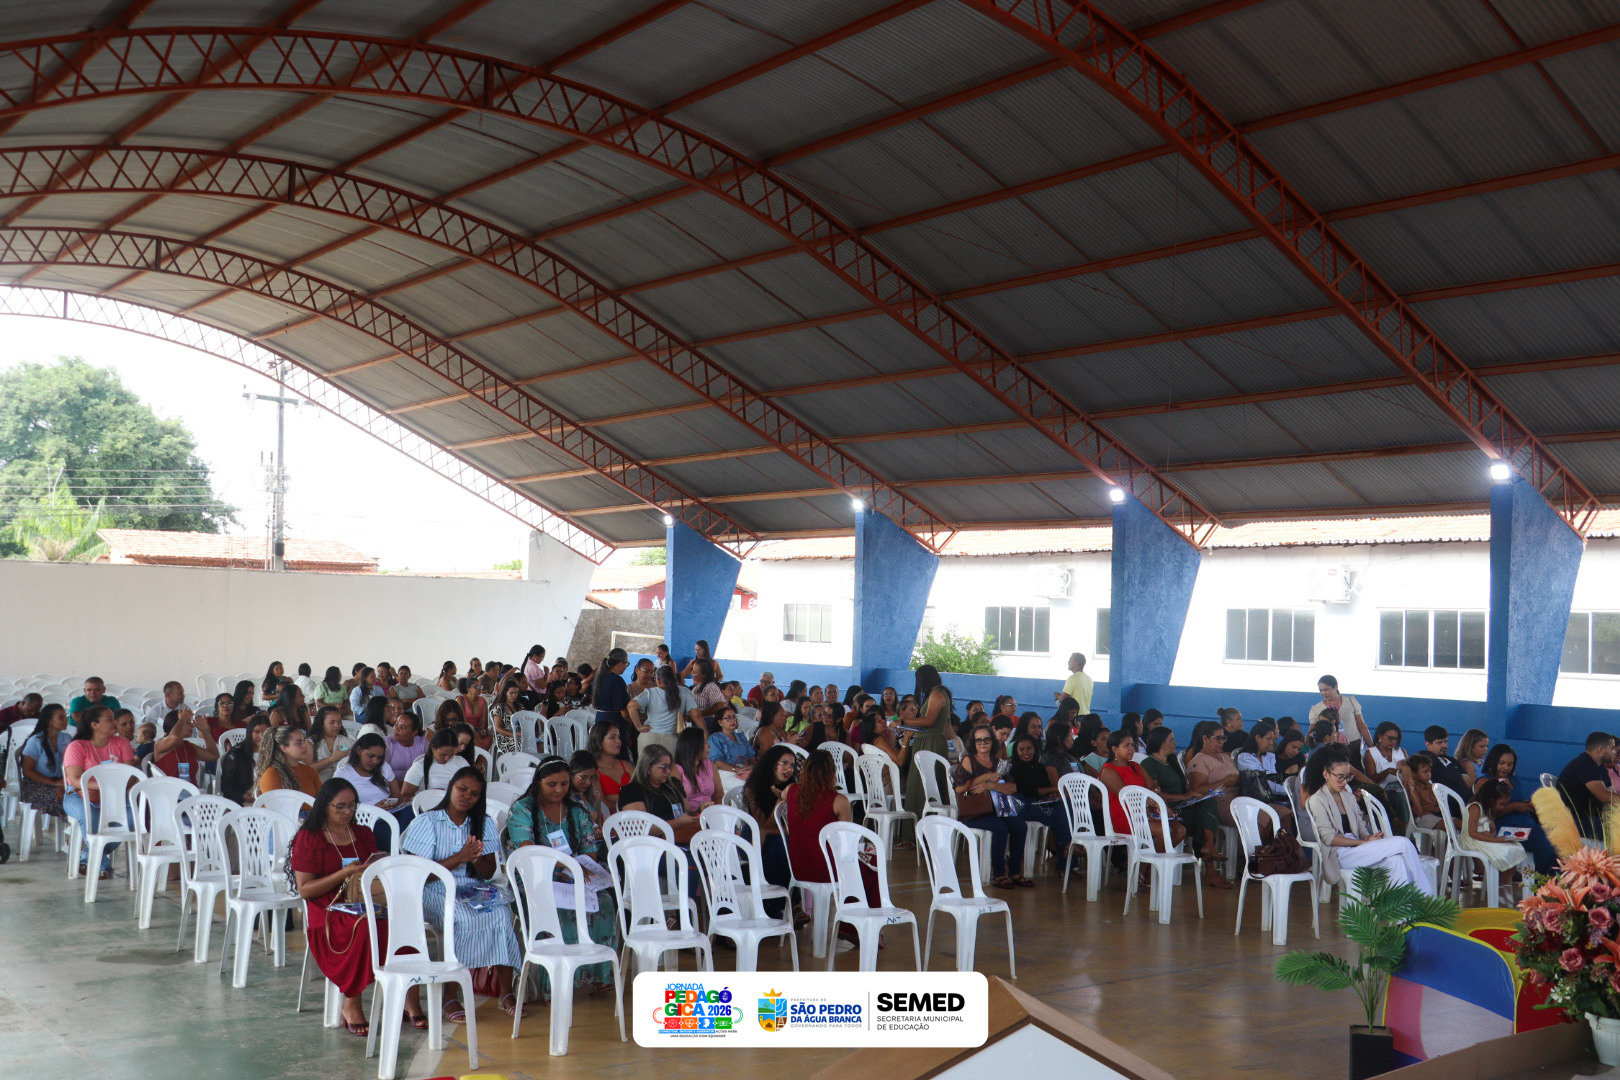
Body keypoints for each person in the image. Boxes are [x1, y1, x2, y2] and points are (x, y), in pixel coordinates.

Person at [402, 766, 524, 1019]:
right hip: (433, 889)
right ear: (451, 788)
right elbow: (418, 875)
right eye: (462, 789)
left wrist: (476, 858)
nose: (467, 796)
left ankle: (506, 992)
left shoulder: (482, 823)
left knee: (501, 915)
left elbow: (488, 872)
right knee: (463, 919)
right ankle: (450, 996)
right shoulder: (428, 822)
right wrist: (459, 857)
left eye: (475, 793)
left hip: (471, 886)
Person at [505, 755, 616, 993]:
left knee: (604, 903)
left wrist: (575, 868)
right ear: (538, 783)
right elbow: (526, 850)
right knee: (560, 909)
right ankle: (555, 985)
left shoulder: (577, 808)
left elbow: (589, 850)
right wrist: (562, 866)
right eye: (552, 784)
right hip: (535, 878)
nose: (559, 790)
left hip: (573, 873)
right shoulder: (522, 808)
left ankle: (597, 974)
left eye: (564, 784)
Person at [290, 778, 392, 1035]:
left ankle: (406, 1000)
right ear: (325, 806)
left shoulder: (363, 834)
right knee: (363, 926)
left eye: (352, 806)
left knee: (395, 920)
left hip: (361, 898)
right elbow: (305, 889)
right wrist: (344, 873)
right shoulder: (309, 837)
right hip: (327, 905)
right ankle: (352, 1000)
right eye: (340, 807)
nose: (348, 812)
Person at [1304, 748, 1434, 896]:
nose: (1344, 782)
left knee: (1396, 860)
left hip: (1357, 848)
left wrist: (1368, 837)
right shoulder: (1317, 799)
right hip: (1339, 853)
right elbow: (1329, 838)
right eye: (1340, 777)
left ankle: (1402, 916)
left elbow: (1361, 827)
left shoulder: (1348, 797)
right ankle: (1426, 896)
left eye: (1347, 777)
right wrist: (1363, 843)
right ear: (1326, 774)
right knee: (1403, 843)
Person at [782, 749, 876, 938]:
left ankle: (852, 927)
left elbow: (783, 797)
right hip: (826, 868)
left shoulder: (791, 791)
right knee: (871, 868)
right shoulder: (839, 801)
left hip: (797, 865)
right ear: (832, 773)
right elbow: (846, 843)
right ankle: (854, 928)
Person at [61, 704, 137, 877]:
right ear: (94, 725)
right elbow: (75, 780)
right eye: (109, 719)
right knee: (92, 820)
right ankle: (102, 865)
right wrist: (105, 785)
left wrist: (111, 788)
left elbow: (130, 775)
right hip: (79, 796)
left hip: (114, 797)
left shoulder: (121, 743)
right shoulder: (77, 746)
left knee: (130, 823)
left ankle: (87, 855)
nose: (115, 722)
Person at [953, 724, 1030, 888]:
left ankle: (1015, 871)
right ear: (973, 743)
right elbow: (960, 789)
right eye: (978, 740)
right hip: (974, 812)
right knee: (1001, 827)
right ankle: (999, 874)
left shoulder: (999, 762)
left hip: (998, 808)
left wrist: (991, 786)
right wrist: (987, 777)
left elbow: (1012, 788)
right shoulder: (969, 760)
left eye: (986, 739)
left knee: (1020, 826)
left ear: (992, 741)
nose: (982, 743)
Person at [1475, 742, 1555, 873]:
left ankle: (1556, 883)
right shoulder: (1485, 782)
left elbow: (1517, 801)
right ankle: (1543, 885)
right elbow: (1486, 812)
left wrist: (1528, 804)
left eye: (1509, 764)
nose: (1505, 767)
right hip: (1504, 830)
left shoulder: (1514, 780)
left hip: (1528, 825)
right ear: (1493, 761)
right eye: (1502, 763)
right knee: (1545, 843)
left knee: (1557, 839)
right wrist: (1514, 807)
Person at [903, 665, 954, 835]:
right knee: (922, 786)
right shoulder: (938, 692)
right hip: (928, 741)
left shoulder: (937, 693)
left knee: (923, 787)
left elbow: (928, 721)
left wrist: (906, 722)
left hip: (930, 744)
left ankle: (922, 832)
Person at [615, 744, 700, 843]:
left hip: (681, 837)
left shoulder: (673, 784)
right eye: (663, 767)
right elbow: (642, 830)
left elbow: (687, 811)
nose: (668, 771)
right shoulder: (632, 791)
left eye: (670, 766)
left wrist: (700, 809)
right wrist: (678, 822)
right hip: (651, 845)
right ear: (647, 768)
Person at [1460, 779, 1533, 891]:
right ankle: (1499, 886)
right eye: (1501, 804)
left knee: (1515, 847)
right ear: (1491, 799)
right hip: (1472, 840)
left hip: (1483, 838)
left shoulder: (1487, 809)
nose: (1503, 807)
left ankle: (1506, 883)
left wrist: (1492, 833)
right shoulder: (1475, 807)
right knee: (1502, 851)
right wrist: (1495, 840)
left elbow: (1491, 829)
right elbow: (1472, 833)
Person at [1006, 732, 1070, 858]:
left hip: (1037, 803)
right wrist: (1054, 788)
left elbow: (1042, 789)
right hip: (1020, 806)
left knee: (1063, 808)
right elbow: (1029, 790)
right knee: (1061, 814)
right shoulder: (1014, 767)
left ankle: (1066, 850)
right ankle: (1067, 846)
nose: (1026, 752)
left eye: (1029, 748)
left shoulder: (1039, 767)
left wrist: (1051, 794)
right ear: (1016, 751)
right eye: (1021, 749)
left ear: (1035, 749)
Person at [628, 665, 702, 757]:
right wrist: (705, 734)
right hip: (672, 740)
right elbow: (696, 715)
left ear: (658, 680)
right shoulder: (685, 691)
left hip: (649, 738)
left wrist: (639, 726)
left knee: (646, 769)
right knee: (669, 770)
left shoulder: (650, 692)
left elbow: (631, 706)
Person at [1557, 731, 1617, 838]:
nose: (1614, 752)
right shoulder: (1585, 765)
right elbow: (1605, 797)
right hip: (1579, 821)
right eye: (1612, 749)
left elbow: (1612, 795)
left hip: (1594, 818)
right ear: (1600, 750)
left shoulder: (1600, 766)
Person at [19, 702, 71, 822]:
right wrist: (54, 783)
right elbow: (27, 771)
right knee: (65, 801)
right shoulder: (35, 741)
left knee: (79, 798)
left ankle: (74, 834)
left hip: (61, 783)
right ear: (49, 721)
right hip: (35, 786)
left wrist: (62, 784)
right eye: (61, 717)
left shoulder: (66, 739)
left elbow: (72, 765)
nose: (65, 720)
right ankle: (72, 834)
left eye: (65, 717)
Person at [1186, 720, 1239, 827]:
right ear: (1205, 739)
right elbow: (1196, 791)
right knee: (1256, 823)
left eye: (1223, 738)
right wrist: (1224, 782)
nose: (1221, 742)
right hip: (1221, 804)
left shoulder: (1225, 756)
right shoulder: (1200, 760)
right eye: (1218, 738)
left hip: (1238, 798)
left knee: (1275, 816)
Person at [150, 707, 220, 784]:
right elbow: (175, 737)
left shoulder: (187, 746)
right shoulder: (160, 744)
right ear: (175, 726)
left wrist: (205, 731)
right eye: (187, 722)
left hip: (191, 792)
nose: (192, 726)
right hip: (169, 793)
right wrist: (183, 718)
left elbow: (214, 755)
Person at [400, 729, 474, 801]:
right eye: (443, 754)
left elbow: (471, 787)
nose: (447, 758)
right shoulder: (419, 767)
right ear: (433, 747)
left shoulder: (461, 762)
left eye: (451, 755)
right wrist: (429, 795)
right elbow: (405, 797)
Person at [591, 649, 633, 761]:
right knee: (617, 756)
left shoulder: (598, 677)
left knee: (602, 754)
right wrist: (634, 725)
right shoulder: (617, 680)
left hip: (599, 719)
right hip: (614, 722)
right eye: (626, 664)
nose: (625, 667)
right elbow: (624, 711)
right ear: (620, 663)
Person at [256, 725, 321, 797]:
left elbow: (322, 799)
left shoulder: (310, 771)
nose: (305, 745)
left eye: (304, 741)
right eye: (299, 743)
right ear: (284, 748)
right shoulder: (271, 773)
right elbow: (274, 805)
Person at [219, 716, 271, 805]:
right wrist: (243, 796)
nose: (261, 736)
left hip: (270, 797)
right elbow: (226, 785)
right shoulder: (236, 753)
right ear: (249, 732)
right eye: (257, 732)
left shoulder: (274, 752)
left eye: (265, 732)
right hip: (245, 802)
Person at [1308, 675, 1373, 746]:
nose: (1323, 693)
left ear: (1335, 686)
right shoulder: (1317, 708)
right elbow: (1312, 732)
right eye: (1321, 690)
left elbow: (1362, 727)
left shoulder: (1351, 701)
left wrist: (1372, 748)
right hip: (1330, 749)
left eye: (1326, 689)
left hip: (1354, 747)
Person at [673, 727, 720, 814]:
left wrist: (716, 811)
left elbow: (719, 795)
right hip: (690, 819)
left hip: (711, 814)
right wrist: (698, 812)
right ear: (694, 745)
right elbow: (679, 806)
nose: (708, 745)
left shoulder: (709, 765)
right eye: (705, 742)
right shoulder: (676, 770)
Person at [1417, 726, 1472, 800]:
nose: (1444, 745)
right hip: (1447, 803)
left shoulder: (1452, 760)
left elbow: (1469, 783)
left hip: (1466, 800)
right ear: (1428, 745)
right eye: (1439, 742)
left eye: (1445, 741)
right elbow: (1405, 763)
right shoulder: (1424, 758)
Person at [588, 721, 632, 811]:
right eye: (612, 737)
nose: (619, 741)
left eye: (618, 737)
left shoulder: (626, 766)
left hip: (635, 818)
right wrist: (632, 806)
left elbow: (643, 791)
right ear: (599, 742)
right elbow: (603, 804)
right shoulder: (592, 771)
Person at [1400, 752, 1445, 831]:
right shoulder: (1414, 788)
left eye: (1429, 771)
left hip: (1436, 816)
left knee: (1459, 822)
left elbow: (1438, 807)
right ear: (1413, 773)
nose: (1429, 774)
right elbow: (1419, 813)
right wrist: (1412, 792)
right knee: (1448, 825)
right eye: (1425, 771)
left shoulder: (1430, 786)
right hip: (1423, 819)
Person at [708, 705, 753, 778]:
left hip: (745, 771)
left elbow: (751, 757)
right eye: (728, 718)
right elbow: (717, 763)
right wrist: (737, 769)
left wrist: (752, 767)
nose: (733, 720)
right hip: (726, 773)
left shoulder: (741, 737)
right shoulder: (715, 739)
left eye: (734, 717)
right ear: (720, 722)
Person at [1363, 722, 1409, 792]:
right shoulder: (1371, 753)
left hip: (1405, 789)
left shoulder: (1402, 751)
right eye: (1390, 738)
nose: (1394, 741)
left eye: (1396, 739)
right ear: (1380, 736)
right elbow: (1370, 780)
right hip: (1383, 792)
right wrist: (1388, 772)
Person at [311, 706, 353, 779]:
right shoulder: (310, 743)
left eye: (339, 722)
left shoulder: (348, 742)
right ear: (321, 723)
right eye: (332, 722)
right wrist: (332, 759)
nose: (336, 726)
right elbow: (307, 770)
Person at [384, 709, 427, 777]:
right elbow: (383, 772)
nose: (396, 729)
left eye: (403, 727)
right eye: (396, 724)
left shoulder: (422, 742)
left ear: (414, 732)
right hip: (392, 784)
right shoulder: (388, 742)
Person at [489, 680, 527, 757]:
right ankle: (518, 766)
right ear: (505, 693)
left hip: (519, 734)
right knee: (520, 744)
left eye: (516, 693)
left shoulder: (520, 707)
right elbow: (497, 728)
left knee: (537, 743)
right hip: (504, 737)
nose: (514, 696)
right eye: (511, 693)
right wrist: (514, 734)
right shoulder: (499, 707)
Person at [689, 658, 727, 733]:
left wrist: (699, 714)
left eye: (695, 672)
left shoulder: (710, 686)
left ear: (703, 675)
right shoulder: (698, 686)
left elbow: (719, 706)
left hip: (707, 725)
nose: (692, 673)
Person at [457, 678, 489, 747]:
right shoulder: (460, 700)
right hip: (464, 730)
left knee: (489, 738)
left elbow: (484, 721)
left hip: (478, 730)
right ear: (468, 689)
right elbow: (464, 720)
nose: (479, 689)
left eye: (480, 686)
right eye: (476, 687)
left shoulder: (483, 701)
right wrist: (473, 732)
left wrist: (483, 730)